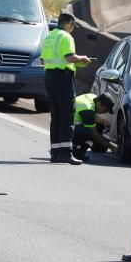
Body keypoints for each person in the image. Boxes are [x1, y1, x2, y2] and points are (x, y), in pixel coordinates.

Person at [40, 12, 91, 164]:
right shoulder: (66, 37)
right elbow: (69, 57)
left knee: (56, 116)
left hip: (49, 77)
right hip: (63, 78)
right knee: (68, 114)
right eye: (73, 26)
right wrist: (82, 59)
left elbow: (44, 60)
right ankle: (66, 153)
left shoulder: (49, 37)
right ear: (68, 23)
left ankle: (55, 153)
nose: (73, 29)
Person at [72, 93, 114, 162]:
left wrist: (104, 121)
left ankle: (77, 147)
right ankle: (77, 152)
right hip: (67, 128)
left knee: (99, 126)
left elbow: (91, 116)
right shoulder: (87, 109)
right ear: (99, 104)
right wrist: (112, 147)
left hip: (67, 123)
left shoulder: (93, 97)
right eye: (105, 110)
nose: (105, 112)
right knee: (90, 133)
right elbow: (95, 135)